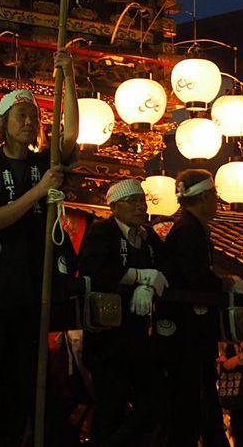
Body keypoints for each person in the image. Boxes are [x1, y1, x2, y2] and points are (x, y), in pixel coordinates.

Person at [0, 53, 78, 447]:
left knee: (26, 380)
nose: (29, 122)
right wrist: (40, 191)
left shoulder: (45, 163)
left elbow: (70, 137)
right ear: (3, 124)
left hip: (32, 288)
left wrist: (69, 77)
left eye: (34, 116)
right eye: (21, 116)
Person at [157, 169, 243, 447]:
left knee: (198, 401)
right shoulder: (189, 230)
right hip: (188, 330)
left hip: (190, 331)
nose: (217, 201)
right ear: (205, 196)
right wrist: (227, 283)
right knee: (193, 402)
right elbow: (197, 277)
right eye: (215, 195)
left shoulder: (189, 228)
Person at [77, 179, 168, 447]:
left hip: (139, 336)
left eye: (143, 200)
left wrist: (149, 286)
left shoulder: (147, 236)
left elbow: (165, 267)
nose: (141, 206)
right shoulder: (102, 231)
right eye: (133, 201)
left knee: (153, 402)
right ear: (114, 206)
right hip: (107, 338)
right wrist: (139, 276)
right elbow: (95, 270)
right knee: (110, 408)